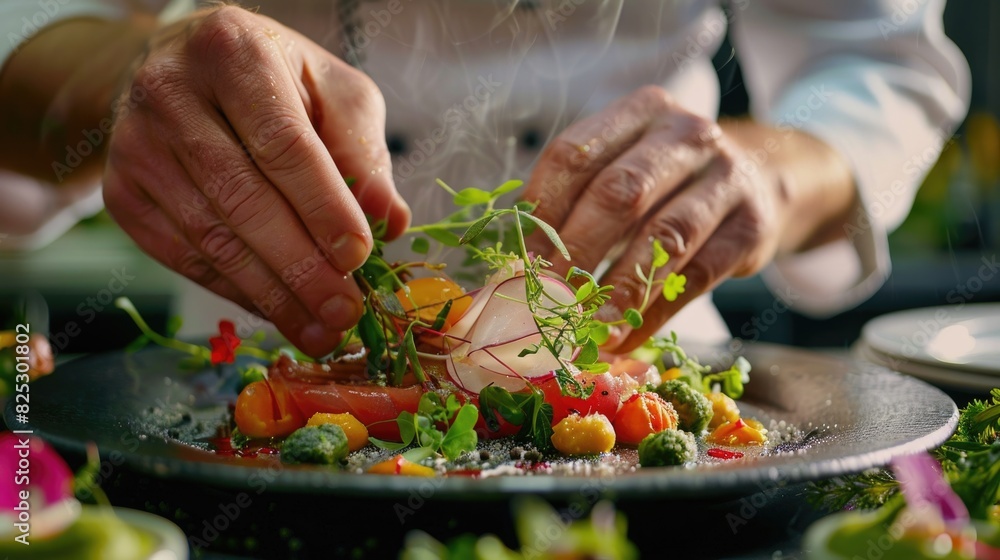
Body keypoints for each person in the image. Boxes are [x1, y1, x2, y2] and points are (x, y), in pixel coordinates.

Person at [0, 0, 970, 357]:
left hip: (646, 375)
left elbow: (877, 59)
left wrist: (770, 167)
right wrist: (120, 84)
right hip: (246, 383)